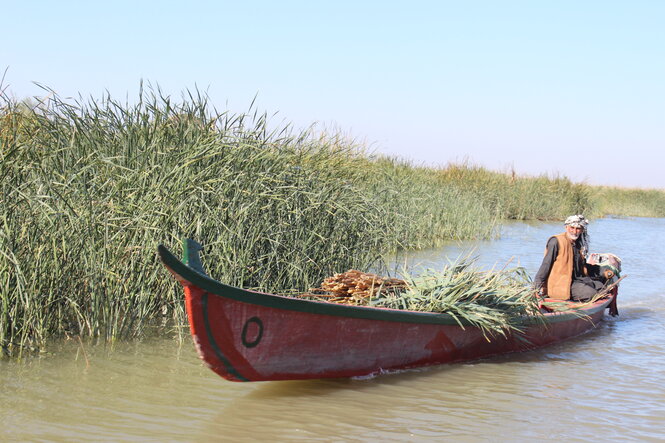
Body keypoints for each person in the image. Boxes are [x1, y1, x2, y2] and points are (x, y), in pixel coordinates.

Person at [533, 215, 604, 302]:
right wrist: (536, 288)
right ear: (566, 227)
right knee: (592, 294)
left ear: (582, 230)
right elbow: (545, 265)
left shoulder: (577, 244)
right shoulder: (556, 241)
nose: (574, 232)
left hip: (577, 281)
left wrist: (603, 270)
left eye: (578, 229)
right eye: (572, 228)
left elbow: (582, 267)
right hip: (561, 284)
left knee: (602, 288)